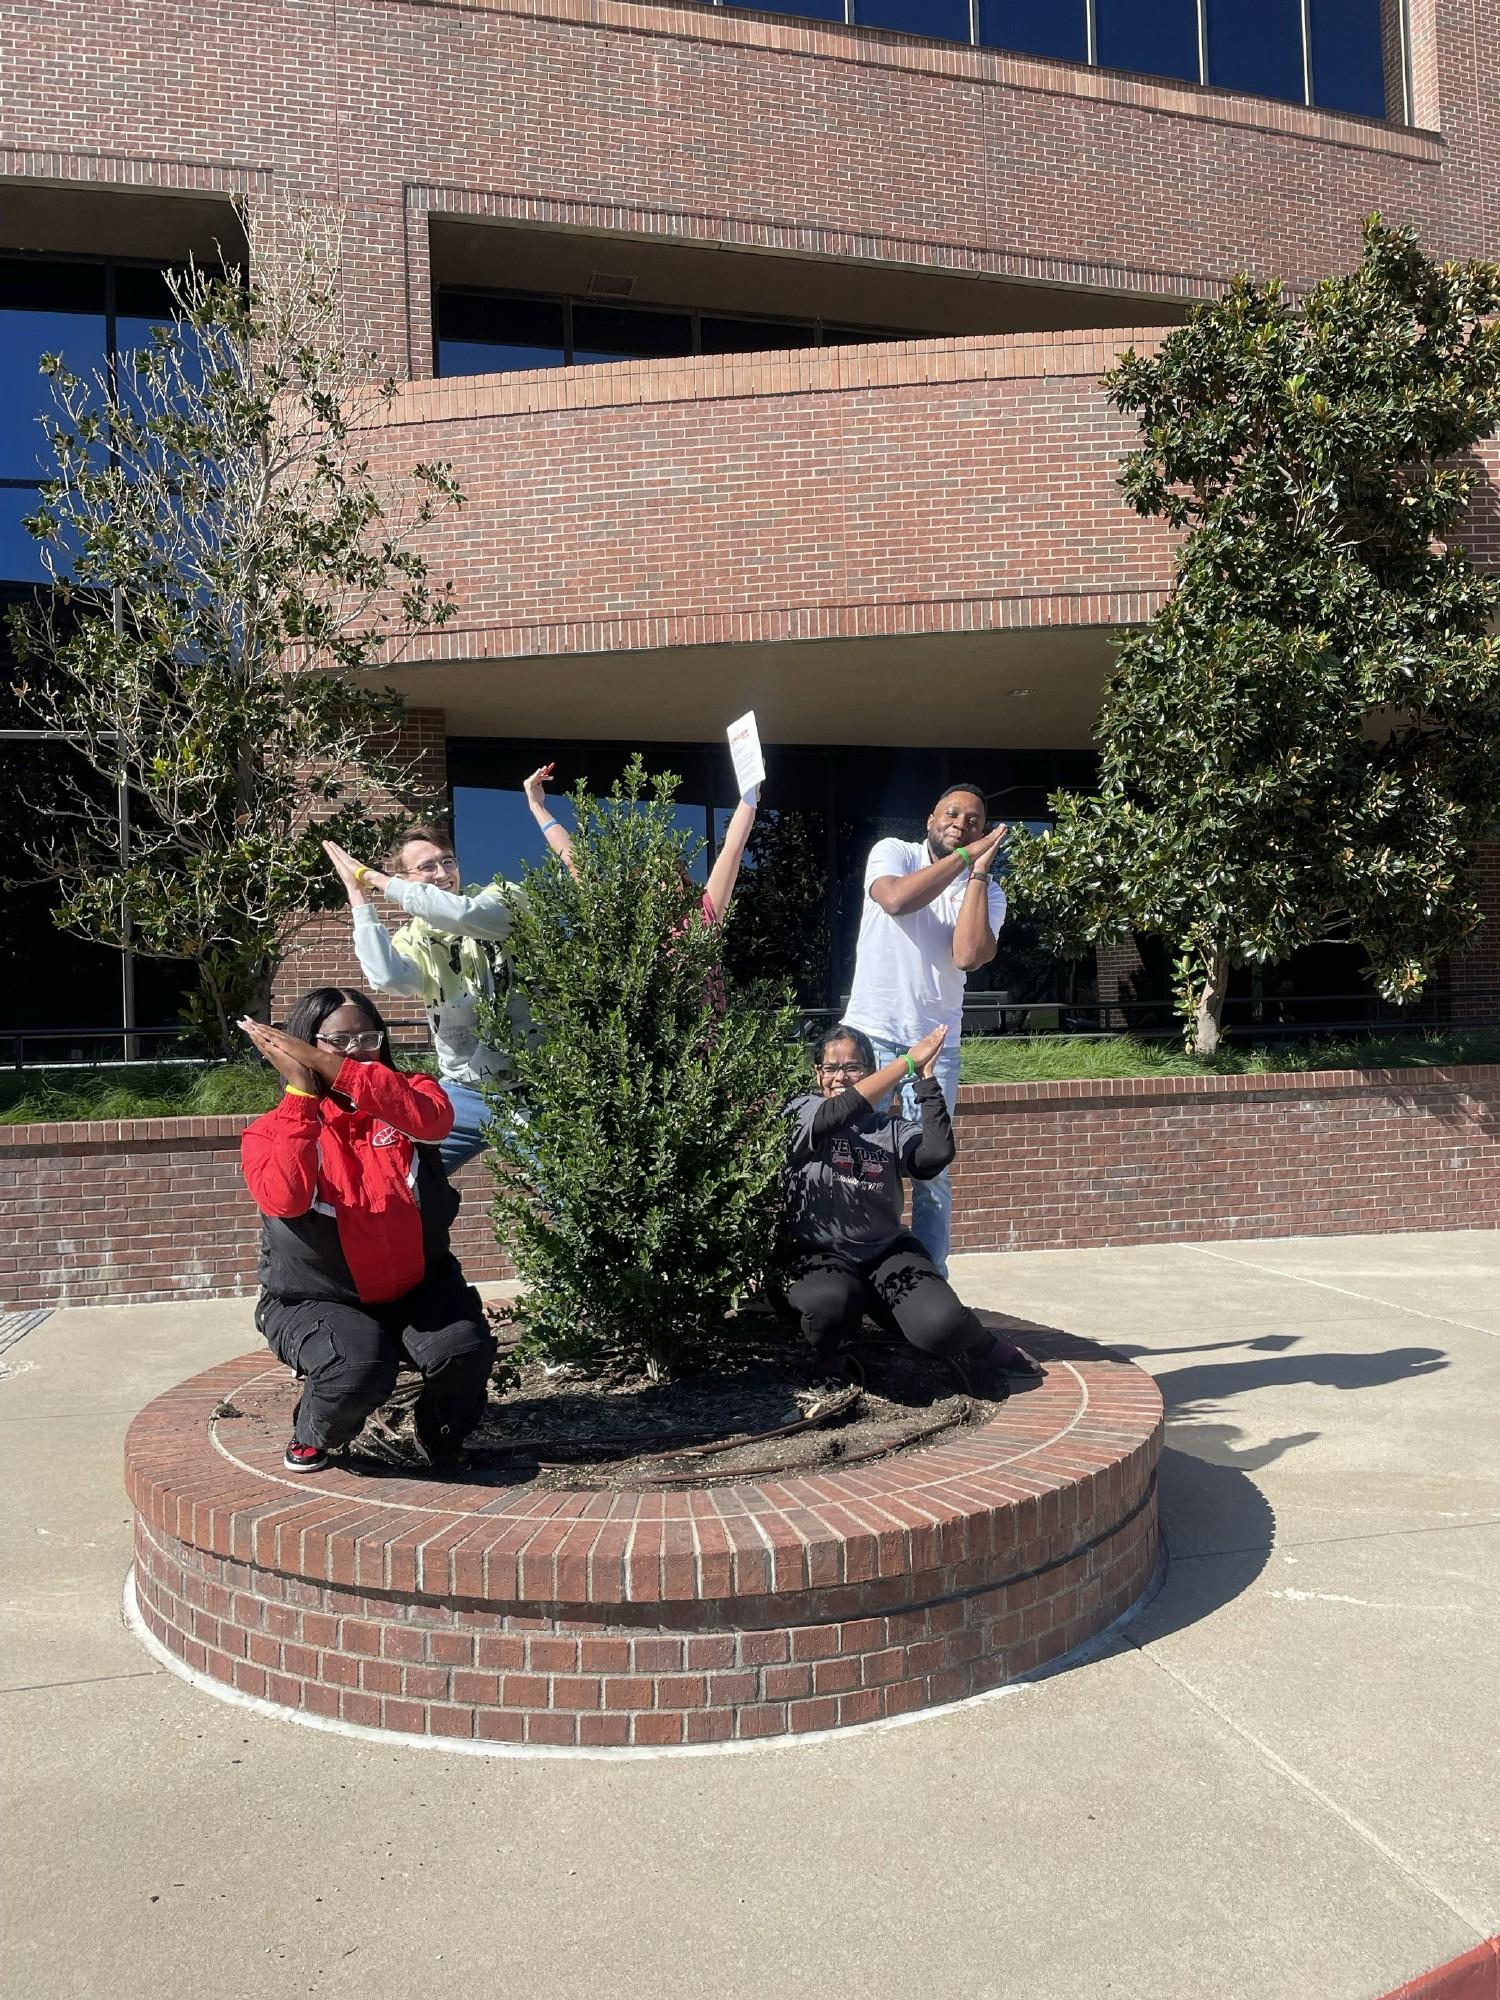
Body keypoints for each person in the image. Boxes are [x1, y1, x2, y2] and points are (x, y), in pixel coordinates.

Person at [239, 988, 498, 1474]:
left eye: (368, 1037)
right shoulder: (273, 1129)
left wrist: (326, 1061)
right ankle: (316, 1433)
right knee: (356, 1368)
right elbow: (285, 1198)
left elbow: (433, 1122)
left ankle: (440, 1435)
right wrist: (301, 1095)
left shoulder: (413, 1099)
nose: (357, 1050)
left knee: (466, 1352)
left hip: (418, 1287)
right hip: (316, 1298)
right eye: (339, 1041)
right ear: (299, 1044)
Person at [322, 773, 565, 1173]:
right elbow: (386, 977)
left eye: (447, 861)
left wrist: (376, 878)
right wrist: (359, 895)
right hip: (463, 1095)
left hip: (532, 1088)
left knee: (566, 1192)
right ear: (407, 881)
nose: (442, 873)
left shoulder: (502, 901)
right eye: (427, 867)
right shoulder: (413, 941)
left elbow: (460, 914)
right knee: (408, 1182)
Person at [782, 1024, 1041, 1390]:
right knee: (829, 1302)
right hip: (819, 1255)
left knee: (941, 1327)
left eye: (853, 1067)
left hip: (885, 1255)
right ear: (817, 1074)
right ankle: (830, 1360)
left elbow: (934, 1156)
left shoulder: (889, 1128)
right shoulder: (802, 1110)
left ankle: (981, 1343)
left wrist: (926, 1079)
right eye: (831, 1067)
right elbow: (839, 1112)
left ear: (870, 1072)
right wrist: (906, 1061)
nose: (840, 1076)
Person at [841, 782, 1008, 1276]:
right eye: (952, 813)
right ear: (930, 818)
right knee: (849, 1155)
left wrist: (976, 871)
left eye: (974, 820)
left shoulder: (989, 892)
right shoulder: (894, 853)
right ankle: (847, 1269)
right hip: (869, 1036)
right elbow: (894, 900)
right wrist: (963, 858)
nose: (962, 823)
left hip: (937, 1049)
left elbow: (968, 954)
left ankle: (929, 1285)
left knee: (932, 1172)